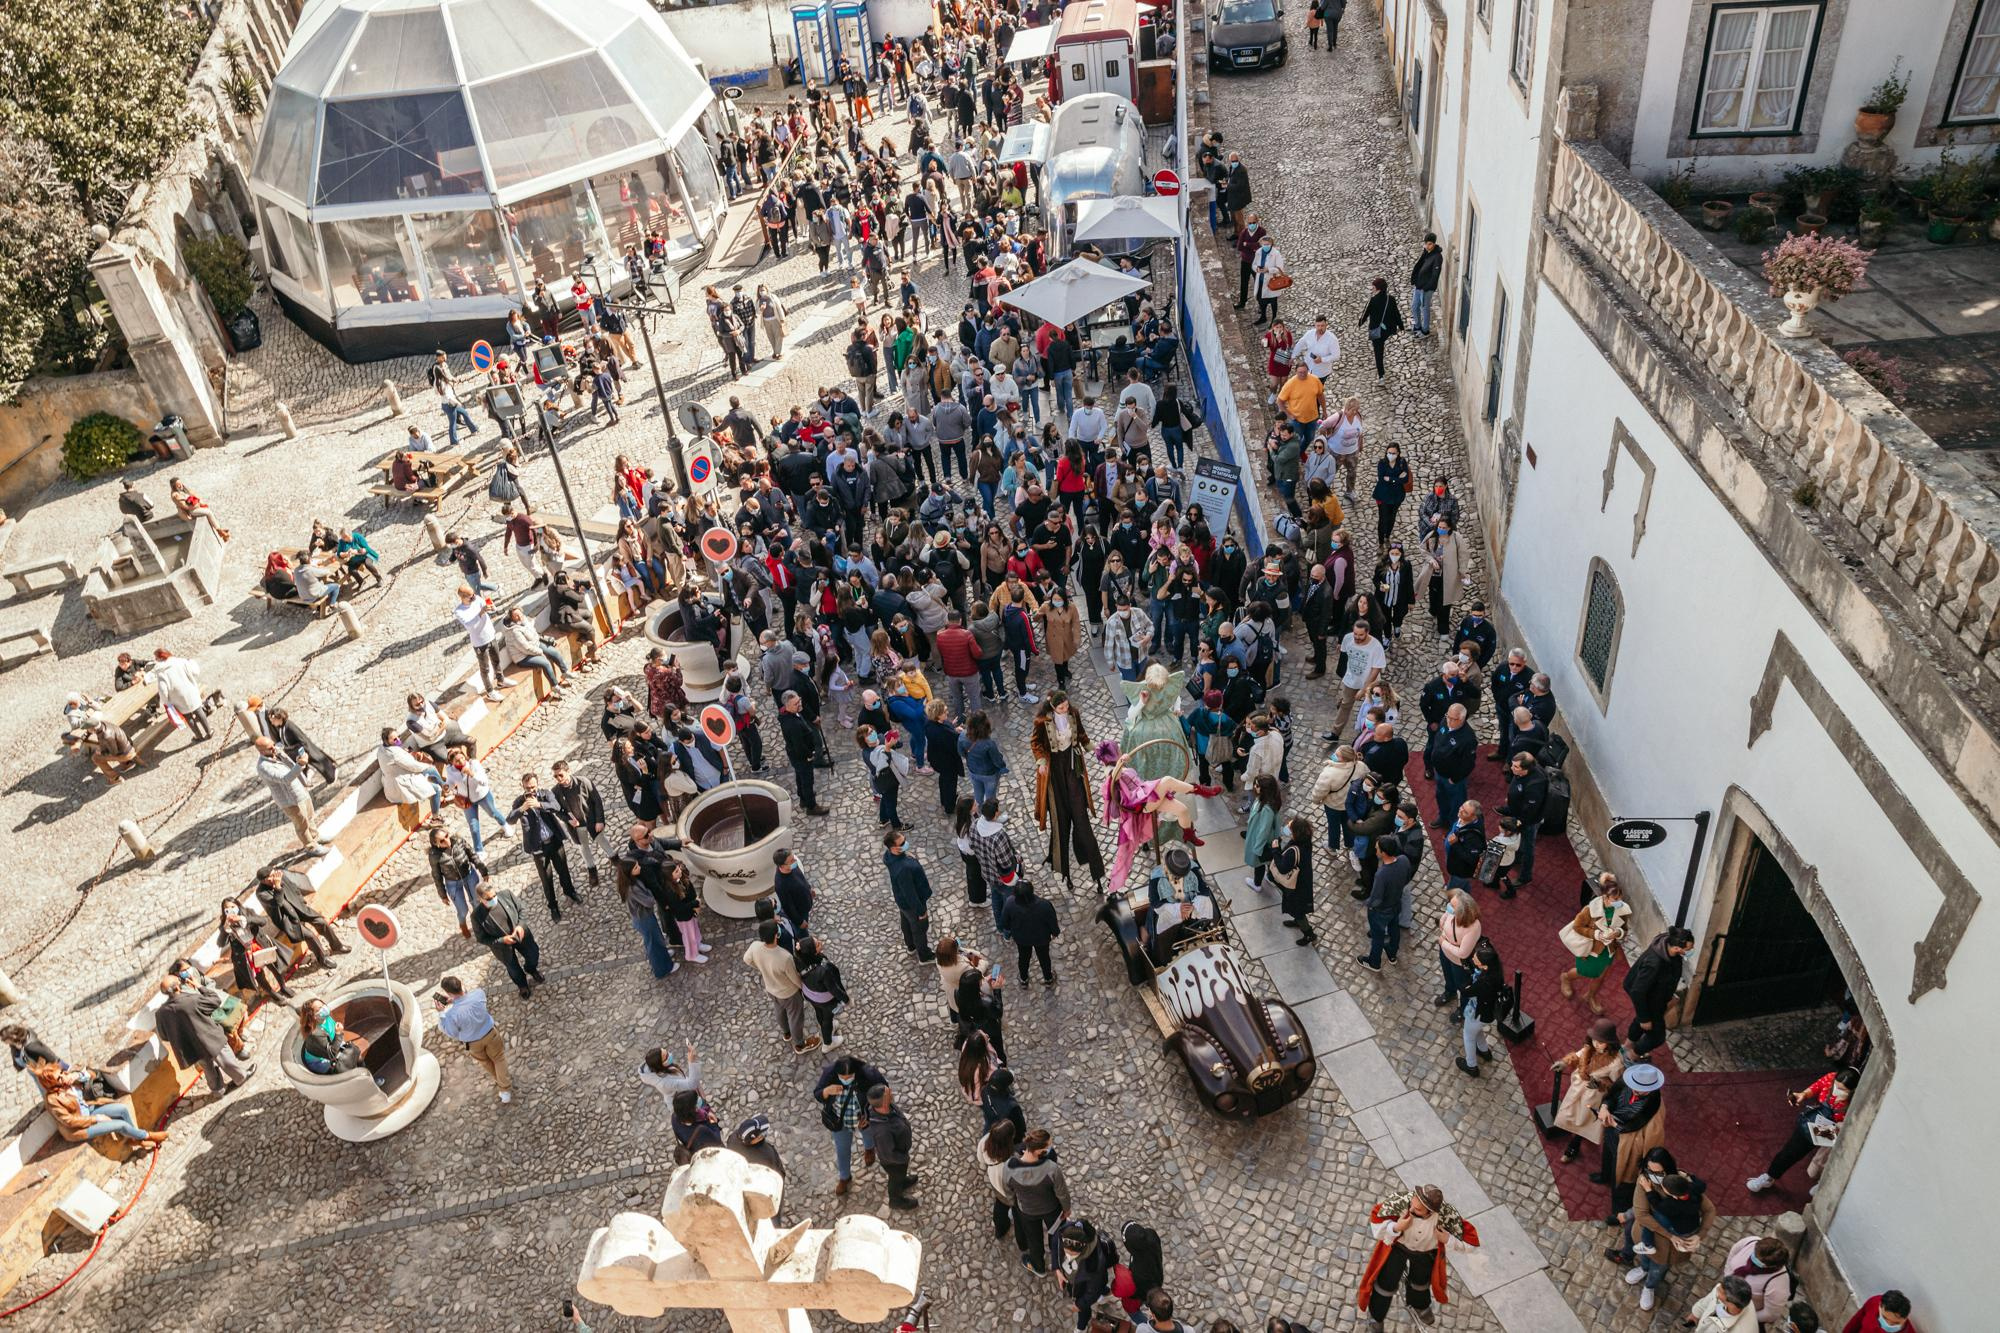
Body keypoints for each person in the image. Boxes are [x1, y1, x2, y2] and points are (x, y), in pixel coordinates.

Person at [1357, 1184, 1479, 1331]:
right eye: (1412, 1205)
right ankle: (1376, 1316)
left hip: (1425, 1253)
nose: (1411, 1210)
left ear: (1431, 1211)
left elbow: (1472, 1243)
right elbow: (1376, 1223)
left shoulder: (1446, 1216)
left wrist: (1447, 1239)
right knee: (1385, 1283)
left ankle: (1419, 1305)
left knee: (1421, 1283)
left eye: (1418, 1209)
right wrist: (1396, 1227)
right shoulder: (1400, 1202)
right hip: (1397, 1249)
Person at [1746, 1067, 1862, 1195]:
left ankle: (1822, 1185)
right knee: (1790, 1151)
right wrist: (1803, 1094)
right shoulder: (1830, 1078)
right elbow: (1815, 1087)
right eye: (1837, 1086)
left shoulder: (1858, 1100)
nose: (1837, 1090)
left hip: (1838, 1132)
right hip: (1816, 1125)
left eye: (1843, 1090)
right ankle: (1769, 1176)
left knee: (1827, 1160)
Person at [155, 975, 256, 1093]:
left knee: (208, 1068)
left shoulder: (161, 1014)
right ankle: (241, 1077)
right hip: (211, 1038)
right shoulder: (191, 1000)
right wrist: (198, 985)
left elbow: (164, 1036)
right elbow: (215, 1000)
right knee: (226, 1060)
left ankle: (218, 1090)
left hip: (191, 1047)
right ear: (177, 987)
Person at [33, 1060, 165, 1149]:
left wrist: (78, 1075)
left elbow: (93, 1074)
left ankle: (135, 1139)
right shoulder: (53, 1099)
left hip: (88, 1111)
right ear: (51, 1084)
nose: (63, 1077)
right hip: (79, 1129)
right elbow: (69, 1121)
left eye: (62, 1073)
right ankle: (147, 1136)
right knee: (121, 1125)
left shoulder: (70, 1080)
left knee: (122, 1109)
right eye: (59, 1078)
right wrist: (96, 1119)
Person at [1594, 1061, 1668, 1219]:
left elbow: (1651, 1141)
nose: (1634, 1089)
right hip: (1611, 1134)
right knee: (1607, 1157)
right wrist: (1605, 1107)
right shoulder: (1626, 1082)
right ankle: (1604, 1176)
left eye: (1640, 1089)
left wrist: (1615, 1124)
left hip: (1627, 1147)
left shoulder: (1654, 1109)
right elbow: (1611, 1097)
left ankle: (1618, 1212)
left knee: (1621, 1180)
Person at [506, 772, 580, 921]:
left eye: (533, 787)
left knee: (563, 870)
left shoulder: (545, 794)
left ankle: (570, 891)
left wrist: (539, 805)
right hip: (538, 847)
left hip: (554, 840)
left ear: (537, 784)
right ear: (523, 786)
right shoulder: (519, 801)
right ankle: (553, 906)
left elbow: (556, 806)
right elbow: (510, 819)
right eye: (528, 787)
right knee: (546, 878)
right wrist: (522, 809)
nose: (531, 790)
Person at [1551, 1018, 1625, 1163]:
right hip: (1578, 1089)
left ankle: (1574, 1144)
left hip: (1593, 1097)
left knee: (1585, 1121)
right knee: (1572, 1112)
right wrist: (1564, 1062)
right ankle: (1569, 1129)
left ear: (1609, 1042)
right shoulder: (1589, 1048)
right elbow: (1579, 1055)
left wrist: (1601, 1084)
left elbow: (1616, 1085)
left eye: (1601, 1041)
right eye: (1595, 1040)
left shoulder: (1616, 1062)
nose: (1596, 1044)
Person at [1559, 873, 1632, 1015]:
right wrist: (1596, 934)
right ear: (1605, 897)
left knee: (1600, 976)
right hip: (1590, 948)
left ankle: (1590, 996)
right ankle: (1566, 977)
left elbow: (1624, 930)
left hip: (1608, 949)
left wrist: (1617, 932)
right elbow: (1577, 927)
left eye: (1620, 898)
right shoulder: (1590, 910)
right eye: (1615, 899)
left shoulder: (1622, 910)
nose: (1619, 902)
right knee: (1583, 972)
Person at [252, 863, 349, 969]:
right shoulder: (261, 893)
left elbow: (294, 888)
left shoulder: (281, 875)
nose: (275, 877)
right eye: (271, 876)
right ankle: (322, 959)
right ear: (264, 881)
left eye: (274, 873)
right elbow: (277, 903)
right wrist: (278, 887)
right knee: (310, 936)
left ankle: (337, 946)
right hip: (287, 918)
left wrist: (302, 902)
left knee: (322, 922)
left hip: (298, 908)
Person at [744, 919, 819, 1055]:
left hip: (771, 988)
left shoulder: (755, 946)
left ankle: (786, 1033)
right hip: (789, 992)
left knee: (779, 1010)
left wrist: (761, 968)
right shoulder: (784, 957)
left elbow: (746, 959)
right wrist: (803, 988)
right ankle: (799, 1044)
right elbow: (795, 978)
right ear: (776, 935)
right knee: (795, 1017)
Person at [814, 1054, 886, 1195]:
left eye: (849, 1077)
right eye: (842, 1078)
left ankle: (869, 1149)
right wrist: (827, 1091)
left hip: (863, 1117)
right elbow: (817, 1094)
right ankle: (844, 1177)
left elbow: (883, 1092)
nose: (845, 1080)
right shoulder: (829, 1074)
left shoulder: (868, 1075)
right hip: (840, 1121)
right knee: (842, 1150)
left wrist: (871, 1114)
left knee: (868, 1135)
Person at [1687, 1236, 1794, 1329]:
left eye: (1757, 1260)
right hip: (1728, 1301)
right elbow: (1733, 1253)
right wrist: (1728, 1277)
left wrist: (1738, 1316)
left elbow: (1770, 1314)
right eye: (1754, 1255)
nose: (1752, 1259)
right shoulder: (1751, 1242)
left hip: (1740, 1313)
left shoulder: (1778, 1284)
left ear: (1770, 1266)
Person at [435, 975, 511, 1103]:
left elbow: (451, 1032)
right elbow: (468, 1001)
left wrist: (441, 1013)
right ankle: (505, 1088)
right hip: (490, 1034)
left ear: (448, 993)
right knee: (499, 1059)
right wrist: (455, 1000)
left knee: (486, 1063)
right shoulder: (479, 994)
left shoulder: (451, 1015)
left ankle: (500, 1081)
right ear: (461, 984)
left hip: (474, 1044)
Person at [1006, 1127, 1072, 1274]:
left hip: (1027, 1211)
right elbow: (1062, 1194)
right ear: (1038, 1151)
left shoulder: (1010, 1166)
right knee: (1058, 1234)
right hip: (1052, 1210)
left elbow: (1008, 1191)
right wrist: (1067, 1209)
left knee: (1034, 1240)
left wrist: (1014, 1203)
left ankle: (1038, 1267)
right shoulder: (1051, 1169)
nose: (1050, 1149)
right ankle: (1061, 1260)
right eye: (1047, 1146)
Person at [1623, 927, 1695, 1059]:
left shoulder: (1668, 949)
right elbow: (1638, 992)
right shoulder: (1654, 964)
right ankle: (1631, 1056)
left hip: (1656, 995)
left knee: (1640, 1020)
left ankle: (1627, 1045)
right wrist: (1644, 1018)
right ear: (1677, 948)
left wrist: (1668, 995)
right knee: (1657, 1036)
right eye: (1688, 949)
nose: (1690, 951)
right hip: (1650, 999)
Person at [252, 736, 328, 855]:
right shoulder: (263, 767)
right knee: (301, 825)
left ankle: (316, 837)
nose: (274, 748)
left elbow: (289, 764)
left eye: (272, 745)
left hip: (299, 790)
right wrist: (301, 765)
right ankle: (311, 847)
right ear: (261, 751)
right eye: (269, 748)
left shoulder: (276, 752)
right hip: (289, 801)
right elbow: (285, 778)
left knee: (309, 816)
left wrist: (298, 760)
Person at [471, 879, 545, 1000]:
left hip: (521, 936)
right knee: (513, 969)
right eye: (489, 899)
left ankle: (531, 969)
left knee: (533, 954)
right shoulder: (476, 916)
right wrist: (502, 940)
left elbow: (522, 910)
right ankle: (522, 985)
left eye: (494, 896)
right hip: (503, 947)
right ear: (480, 899)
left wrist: (520, 926)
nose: (493, 899)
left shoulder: (506, 895)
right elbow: (481, 938)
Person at [1356, 838, 1413, 972]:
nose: (1375, 850)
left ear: (1383, 853)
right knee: (1394, 929)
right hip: (1395, 904)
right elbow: (1407, 878)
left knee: (1377, 936)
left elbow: (1376, 898)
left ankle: (1374, 962)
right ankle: (1392, 954)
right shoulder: (1404, 860)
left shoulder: (1382, 875)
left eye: (1377, 849)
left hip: (1380, 911)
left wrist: (1367, 904)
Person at [882, 830, 936, 961]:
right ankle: (924, 956)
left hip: (901, 901)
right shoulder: (903, 869)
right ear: (894, 848)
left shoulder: (889, 856)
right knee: (919, 928)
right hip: (913, 903)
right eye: (902, 843)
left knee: (906, 922)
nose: (906, 843)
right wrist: (921, 911)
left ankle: (911, 946)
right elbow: (910, 894)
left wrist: (905, 856)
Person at [1455, 938, 1503, 1076]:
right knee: (1476, 1031)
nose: (1473, 958)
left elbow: (1465, 991)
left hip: (1478, 1012)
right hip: (1486, 1013)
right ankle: (1483, 1051)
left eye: (1476, 959)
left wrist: (1465, 983)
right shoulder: (1495, 973)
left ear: (1484, 966)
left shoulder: (1484, 983)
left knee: (1468, 1036)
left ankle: (1471, 1066)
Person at [1002, 874, 1060, 984]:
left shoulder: (1010, 903)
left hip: (1021, 939)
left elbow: (1005, 923)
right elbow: (1052, 922)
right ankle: (1048, 978)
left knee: (1023, 958)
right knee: (1044, 958)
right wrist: (1055, 933)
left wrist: (1014, 930)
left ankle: (1024, 979)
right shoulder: (1044, 905)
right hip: (1041, 938)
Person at [868, 1083, 918, 1210]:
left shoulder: (889, 1107)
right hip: (894, 1162)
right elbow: (889, 1155)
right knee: (895, 1178)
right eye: (888, 1093)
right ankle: (895, 1200)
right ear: (884, 1102)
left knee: (900, 1175)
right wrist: (904, 1158)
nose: (891, 1092)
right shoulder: (882, 1131)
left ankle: (902, 1181)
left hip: (900, 1155)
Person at [1269, 816, 1316, 945]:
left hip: (1297, 887)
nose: (1287, 828)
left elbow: (1283, 868)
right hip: (1303, 882)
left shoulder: (1295, 850)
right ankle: (1298, 921)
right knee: (1296, 908)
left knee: (1298, 910)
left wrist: (1275, 850)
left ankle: (1308, 934)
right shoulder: (1305, 842)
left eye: (1290, 828)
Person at [1434, 887, 1481, 1010]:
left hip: (1458, 962)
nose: (1449, 906)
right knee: (1447, 974)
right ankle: (1450, 991)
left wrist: (1444, 943)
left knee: (1463, 985)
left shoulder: (1473, 927)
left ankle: (1463, 1008)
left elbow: (1463, 953)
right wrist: (1443, 920)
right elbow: (1446, 914)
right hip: (1445, 953)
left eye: (1452, 906)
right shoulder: (1452, 912)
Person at [151, 647, 211, 740]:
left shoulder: (161, 672)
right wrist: (192, 662)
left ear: (161, 658)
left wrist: (166, 702)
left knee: (188, 717)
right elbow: (196, 672)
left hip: (177, 698)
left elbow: (163, 690)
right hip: (191, 692)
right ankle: (209, 731)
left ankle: (199, 736)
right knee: (199, 711)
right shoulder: (181, 661)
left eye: (156, 658)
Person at [297, 996, 367, 1074]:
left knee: (356, 1053)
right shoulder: (315, 1034)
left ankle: (365, 1073)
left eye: (323, 1005)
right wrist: (338, 1033)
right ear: (313, 1016)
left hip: (332, 1045)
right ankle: (360, 1079)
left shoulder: (326, 1018)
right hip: (320, 1061)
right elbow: (332, 1053)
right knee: (346, 1069)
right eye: (319, 1009)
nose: (324, 1008)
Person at [1358, 276, 1405, 381]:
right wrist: (1401, 326)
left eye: (1373, 287)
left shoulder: (1373, 300)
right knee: (1381, 345)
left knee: (1378, 352)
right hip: (1388, 329)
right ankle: (1381, 373)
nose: (1372, 288)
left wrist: (1360, 323)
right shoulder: (1390, 299)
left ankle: (1381, 376)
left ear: (1377, 288)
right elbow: (1397, 314)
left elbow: (1365, 314)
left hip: (1376, 331)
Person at [1409, 232, 1444, 336]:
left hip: (1427, 288)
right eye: (1426, 244)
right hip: (1419, 285)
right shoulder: (1426, 252)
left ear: (1433, 244)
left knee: (1425, 308)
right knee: (1414, 306)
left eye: (1429, 244)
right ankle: (1417, 326)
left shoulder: (1437, 257)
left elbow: (1435, 276)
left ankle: (1425, 330)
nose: (1427, 246)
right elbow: (1420, 265)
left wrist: (1427, 287)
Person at [1840, 1291, 1917, 1333]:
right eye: (1884, 1318)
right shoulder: (1874, 1302)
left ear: (1906, 1318)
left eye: (1895, 1323)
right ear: (1880, 1306)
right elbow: (1855, 1323)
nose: (1888, 1324)